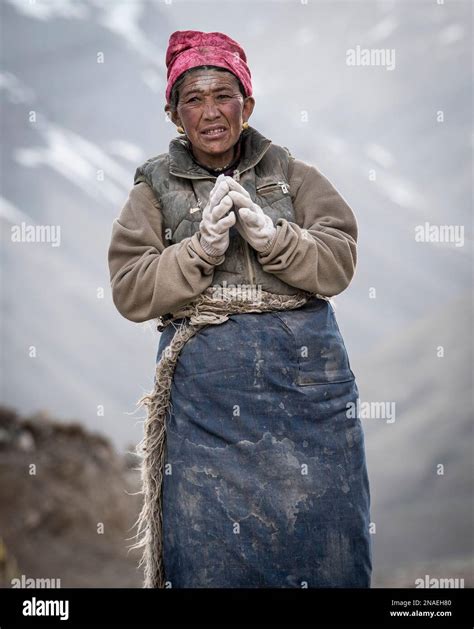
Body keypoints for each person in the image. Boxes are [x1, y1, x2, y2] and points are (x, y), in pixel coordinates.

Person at [107, 29, 372, 589]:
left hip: (310, 398)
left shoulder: (291, 174)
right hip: (208, 407)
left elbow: (339, 260)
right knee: (210, 554)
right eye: (193, 99)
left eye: (223, 95)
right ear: (174, 114)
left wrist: (276, 238)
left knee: (324, 544)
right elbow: (130, 287)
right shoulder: (153, 190)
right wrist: (197, 252)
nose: (210, 113)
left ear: (247, 105)